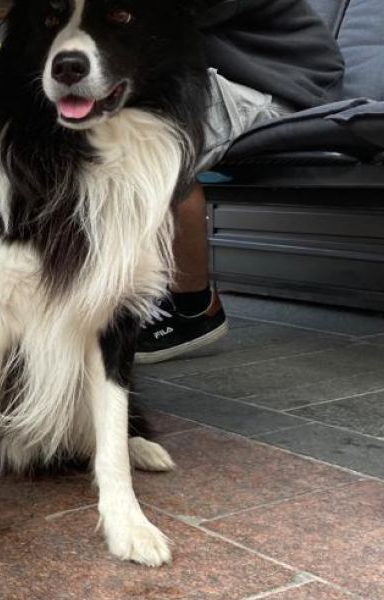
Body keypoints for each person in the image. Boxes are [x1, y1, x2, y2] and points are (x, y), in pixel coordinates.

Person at [134, 0, 345, 364]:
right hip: (232, 78)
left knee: (144, 141)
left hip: (285, 85)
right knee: (100, 123)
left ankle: (192, 308)